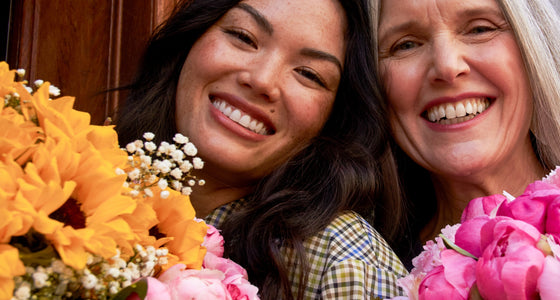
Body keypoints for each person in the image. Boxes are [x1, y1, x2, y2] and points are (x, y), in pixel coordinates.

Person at [115, 0, 407, 298]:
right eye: (243, 37)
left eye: (308, 74)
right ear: (191, 39)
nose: (262, 80)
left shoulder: (344, 259)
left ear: (334, 118)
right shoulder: (89, 181)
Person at [373, 0, 560, 265]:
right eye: (406, 45)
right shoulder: (370, 277)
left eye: (479, 29)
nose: (447, 67)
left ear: (532, 48)